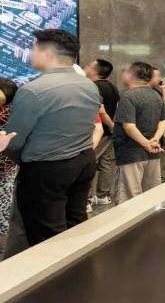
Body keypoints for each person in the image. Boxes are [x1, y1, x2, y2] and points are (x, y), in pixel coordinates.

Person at [4, 30, 101, 254]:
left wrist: (18, 157)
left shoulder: (33, 91)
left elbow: (14, 142)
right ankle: (79, 268)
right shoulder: (89, 86)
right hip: (84, 161)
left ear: (47, 53)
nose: (31, 53)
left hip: (46, 169)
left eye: (33, 48)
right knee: (75, 223)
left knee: (47, 236)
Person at [111, 62, 165, 205]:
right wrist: (154, 140)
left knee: (129, 199)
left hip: (131, 154)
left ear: (132, 75)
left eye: (126, 71)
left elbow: (129, 126)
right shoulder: (156, 95)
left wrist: (146, 143)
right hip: (153, 154)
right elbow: (164, 120)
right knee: (151, 197)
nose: (123, 74)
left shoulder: (128, 96)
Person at [83, 59, 119, 209]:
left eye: (88, 66)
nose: (85, 67)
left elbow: (99, 111)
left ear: (95, 71)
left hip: (98, 132)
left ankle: (86, 200)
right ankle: (103, 196)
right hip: (109, 131)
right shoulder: (112, 87)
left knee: (88, 163)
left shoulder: (93, 88)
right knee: (106, 163)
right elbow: (117, 109)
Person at [0, 79, 18, 246]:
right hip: (9, 163)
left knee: (4, 201)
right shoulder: (15, 111)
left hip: (5, 164)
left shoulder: (7, 114)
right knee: (4, 201)